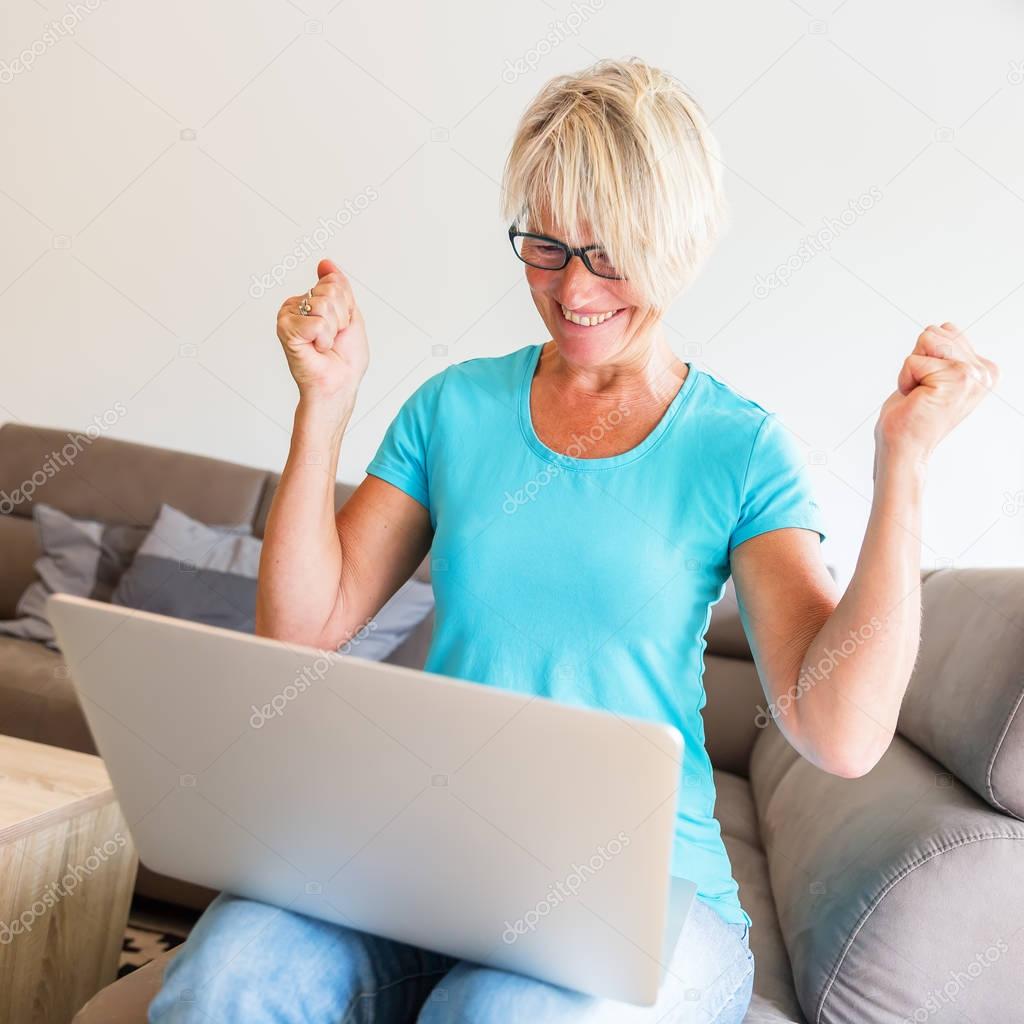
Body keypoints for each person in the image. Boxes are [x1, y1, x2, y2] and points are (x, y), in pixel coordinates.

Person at [148, 57, 998, 1023]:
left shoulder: (738, 449)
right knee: (229, 974)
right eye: (545, 247)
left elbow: (838, 734)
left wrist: (906, 462)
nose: (573, 287)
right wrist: (324, 409)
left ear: (679, 243)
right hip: (429, 864)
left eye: (610, 253)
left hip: (649, 900)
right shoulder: (455, 409)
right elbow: (301, 633)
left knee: (497, 1016)